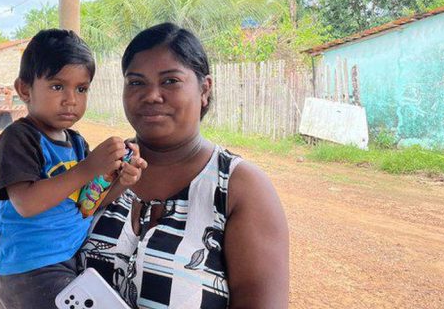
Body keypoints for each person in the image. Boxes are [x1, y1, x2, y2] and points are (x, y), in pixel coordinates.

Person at [80, 23, 289, 309]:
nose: (152, 95)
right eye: (136, 82)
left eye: (170, 81)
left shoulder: (238, 187)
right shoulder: (102, 167)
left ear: (205, 89)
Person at [0, 29, 147, 309]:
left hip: (63, 261)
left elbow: (87, 204)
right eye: (58, 86)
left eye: (81, 89)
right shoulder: (19, 139)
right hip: (31, 269)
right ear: (25, 89)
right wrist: (88, 167)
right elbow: (26, 203)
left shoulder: (76, 143)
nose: (71, 99)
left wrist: (122, 180)